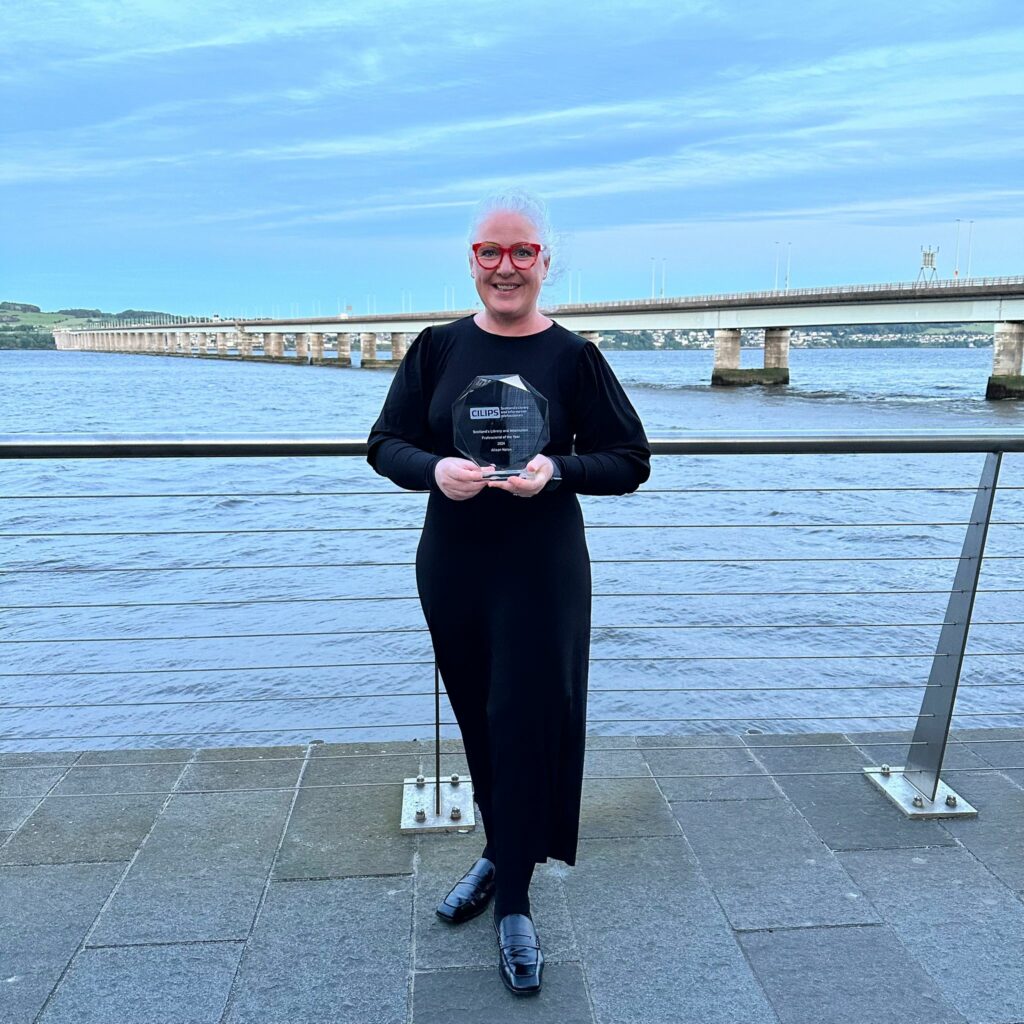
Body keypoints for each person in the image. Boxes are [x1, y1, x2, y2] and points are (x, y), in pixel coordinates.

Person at [365, 189, 650, 996]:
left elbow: (629, 460)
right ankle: (500, 849)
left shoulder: (574, 357)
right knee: (479, 720)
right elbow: (384, 444)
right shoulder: (435, 348)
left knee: (525, 719)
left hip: (541, 567)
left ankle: (516, 901)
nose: (506, 267)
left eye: (522, 252)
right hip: (453, 563)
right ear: (472, 262)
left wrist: (555, 471)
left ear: (545, 263)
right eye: (491, 252)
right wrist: (433, 471)